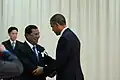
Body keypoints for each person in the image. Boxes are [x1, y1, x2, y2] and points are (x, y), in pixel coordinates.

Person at [49, 14, 84, 80]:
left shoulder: (64, 38)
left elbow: (60, 62)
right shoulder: (73, 36)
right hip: (77, 76)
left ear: (57, 25)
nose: (52, 30)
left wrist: (44, 70)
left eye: (52, 26)